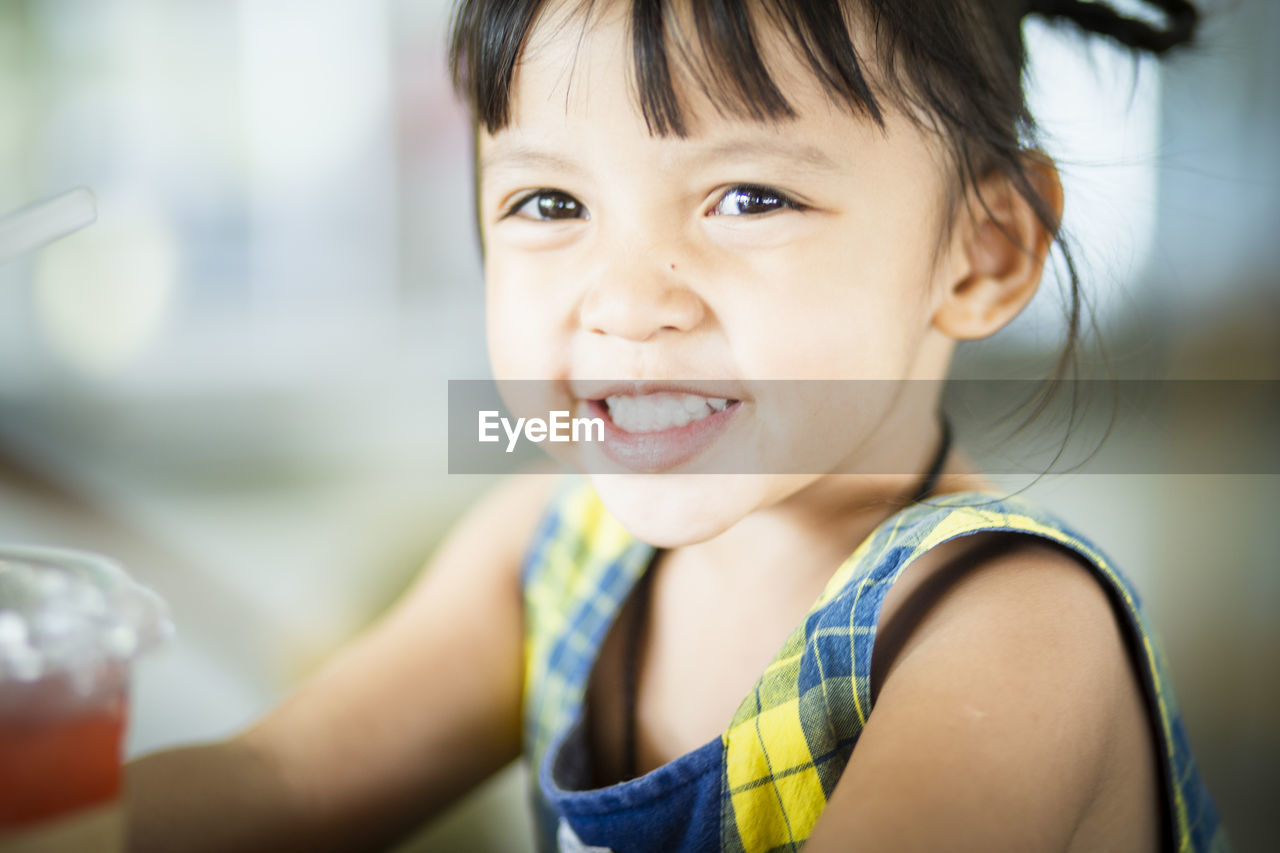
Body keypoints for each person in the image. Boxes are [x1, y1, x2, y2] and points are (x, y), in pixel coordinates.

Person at [126, 0, 1228, 851]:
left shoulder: (1005, 632)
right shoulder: (549, 551)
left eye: (747, 197)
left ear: (982, 250)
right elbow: (276, 783)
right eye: (549, 204)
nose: (625, 299)